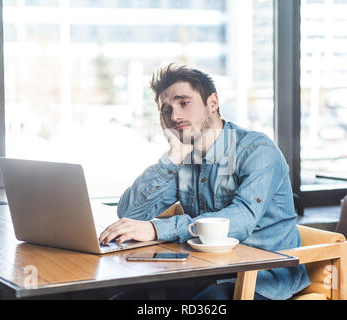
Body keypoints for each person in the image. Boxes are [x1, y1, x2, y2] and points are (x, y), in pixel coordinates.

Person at [99, 64, 310, 300]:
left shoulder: (257, 150)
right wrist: (172, 157)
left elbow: (241, 220)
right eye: (166, 110)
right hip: (204, 270)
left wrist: (157, 228)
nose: (174, 116)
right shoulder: (185, 157)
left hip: (261, 277)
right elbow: (130, 212)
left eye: (183, 103)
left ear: (213, 103)